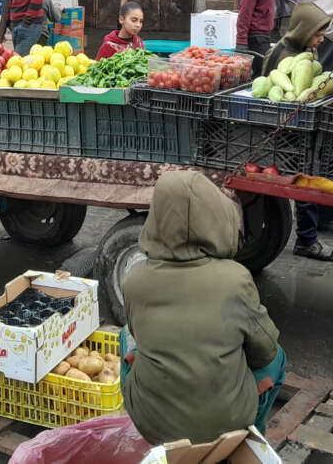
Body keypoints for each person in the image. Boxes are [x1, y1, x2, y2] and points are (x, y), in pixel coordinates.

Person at [121, 171, 285, 446]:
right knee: (278, 356)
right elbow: (265, 351)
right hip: (226, 425)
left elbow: (140, 335)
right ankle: (250, 441)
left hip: (153, 426)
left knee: (125, 339)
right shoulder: (235, 279)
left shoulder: (134, 279)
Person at [263, 1, 333, 262]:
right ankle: (307, 241)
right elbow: (290, 97)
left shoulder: (293, 49)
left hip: (287, 127)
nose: (321, 39)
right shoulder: (287, 57)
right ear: (304, 30)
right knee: (306, 179)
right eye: (317, 34)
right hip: (284, 131)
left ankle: (312, 230)